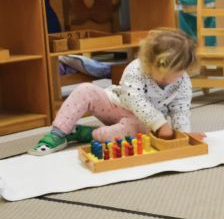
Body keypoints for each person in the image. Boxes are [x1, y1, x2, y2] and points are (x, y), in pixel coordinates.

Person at [29, 29, 200, 155]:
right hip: (114, 104)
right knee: (84, 89)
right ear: (149, 61)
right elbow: (135, 100)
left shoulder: (183, 82)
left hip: (140, 123)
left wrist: (184, 135)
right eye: (162, 77)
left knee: (137, 132)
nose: (169, 81)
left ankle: (88, 134)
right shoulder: (136, 69)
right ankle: (58, 133)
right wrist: (161, 124)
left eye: (176, 75)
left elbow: (180, 110)